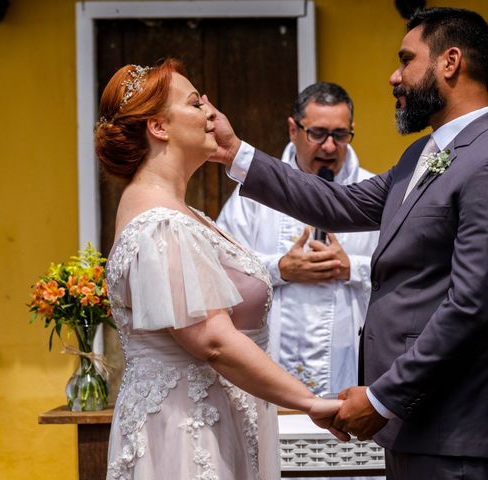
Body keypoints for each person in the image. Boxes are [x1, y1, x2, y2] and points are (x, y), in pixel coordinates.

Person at [207, 7, 488, 480]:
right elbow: (337, 205)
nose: (394, 76)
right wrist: (235, 153)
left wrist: (383, 397)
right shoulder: (422, 155)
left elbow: (472, 308)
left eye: (407, 59)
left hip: (453, 429)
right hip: (413, 425)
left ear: (449, 62)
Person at [95, 60, 345, 480]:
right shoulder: (161, 224)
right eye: (196, 103)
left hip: (216, 420)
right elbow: (212, 339)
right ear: (158, 127)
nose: (213, 113)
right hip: (187, 436)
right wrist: (310, 402)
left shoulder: (186, 215)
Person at [216, 82, 379, 398]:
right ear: (293, 129)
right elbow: (221, 267)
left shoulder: (373, 190)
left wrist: (353, 269)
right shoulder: (254, 194)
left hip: (349, 358)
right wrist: (280, 268)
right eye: (317, 134)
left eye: (340, 135)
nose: (329, 147)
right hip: (274, 357)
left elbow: (406, 271)